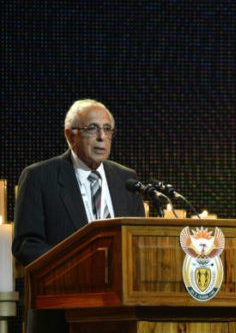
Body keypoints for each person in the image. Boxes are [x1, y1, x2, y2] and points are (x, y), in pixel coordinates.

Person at [12, 99, 145, 332]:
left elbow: (139, 243)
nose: (102, 137)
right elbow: (26, 244)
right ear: (70, 135)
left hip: (119, 316)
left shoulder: (127, 179)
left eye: (107, 129)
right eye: (92, 128)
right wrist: (77, 269)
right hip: (60, 315)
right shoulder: (39, 177)